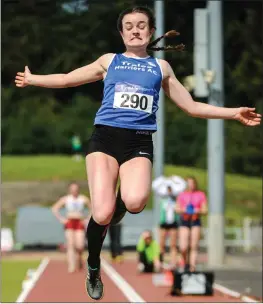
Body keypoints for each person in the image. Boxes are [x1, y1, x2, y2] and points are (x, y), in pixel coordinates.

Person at [14, 5, 261, 300]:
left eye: (141, 25)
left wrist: (233, 113)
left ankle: (121, 201)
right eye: (129, 26)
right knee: (102, 213)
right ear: (121, 33)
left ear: (151, 32)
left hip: (139, 142)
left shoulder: (161, 68)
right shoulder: (110, 61)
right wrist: (33, 79)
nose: (135, 30)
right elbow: (68, 78)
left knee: (135, 201)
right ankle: (93, 265)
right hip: (104, 139)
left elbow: (192, 107)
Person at [51, 182, 91, 273]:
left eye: (76, 189)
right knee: (70, 244)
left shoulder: (83, 199)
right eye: (72, 189)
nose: (74, 191)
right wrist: (61, 219)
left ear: (78, 189)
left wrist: (87, 219)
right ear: (70, 190)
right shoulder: (66, 199)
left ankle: (80, 257)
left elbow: (92, 208)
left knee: (80, 245)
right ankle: (71, 266)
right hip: (70, 222)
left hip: (79, 222)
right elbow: (54, 208)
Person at [175, 176, 207, 272]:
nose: (191, 185)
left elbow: (205, 210)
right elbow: (176, 209)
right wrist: (184, 209)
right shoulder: (181, 195)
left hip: (195, 220)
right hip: (184, 220)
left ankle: (192, 267)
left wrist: (198, 210)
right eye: (189, 183)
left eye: (192, 183)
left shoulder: (200, 194)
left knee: (194, 245)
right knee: (183, 247)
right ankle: (185, 263)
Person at [159, 185, 180, 269]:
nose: (169, 192)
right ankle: (160, 262)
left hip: (173, 223)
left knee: (173, 244)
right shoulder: (163, 200)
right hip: (164, 223)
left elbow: (177, 210)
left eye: (170, 190)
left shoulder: (176, 200)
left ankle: (173, 262)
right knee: (162, 244)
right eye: (168, 190)